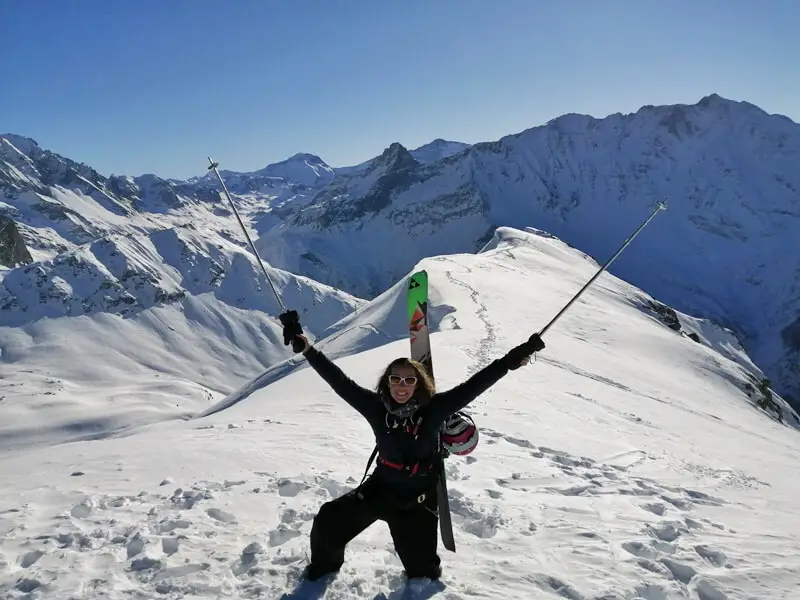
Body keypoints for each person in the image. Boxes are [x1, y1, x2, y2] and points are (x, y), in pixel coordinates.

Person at [279, 311, 545, 582]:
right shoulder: (376, 407)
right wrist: (308, 349)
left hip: (416, 504)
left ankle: (424, 569)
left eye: (409, 379)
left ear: (419, 383)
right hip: (379, 490)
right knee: (329, 522)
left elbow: (476, 383)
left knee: (422, 573)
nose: (402, 386)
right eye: (396, 379)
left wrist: (513, 359)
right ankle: (323, 570)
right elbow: (339, 381)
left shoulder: (436, 409)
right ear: (387, 382)